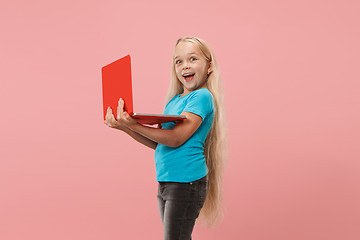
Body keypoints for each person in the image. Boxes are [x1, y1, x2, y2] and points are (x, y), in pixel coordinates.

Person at [104, 36, 227, 240]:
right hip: (167, 182)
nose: (185, 66)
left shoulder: (202, 97)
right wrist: (125, 128)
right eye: (179, 61)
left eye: (193, 59)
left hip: (185, 183)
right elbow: (160, 142)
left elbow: (176, 139)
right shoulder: (174, 101)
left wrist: (133, 124)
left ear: (209, 66)